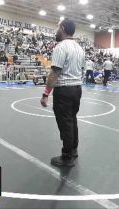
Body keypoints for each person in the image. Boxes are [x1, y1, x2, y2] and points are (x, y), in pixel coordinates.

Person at [40, 18, 85, 167]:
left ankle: (67, 157)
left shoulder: (61, 47)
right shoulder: (79, 48)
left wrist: (46, 94)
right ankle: (73, 150)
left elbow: (55, 72)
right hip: (77, 88)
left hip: (64, 90)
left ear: (64, 28)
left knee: (65, 123)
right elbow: (81, 70)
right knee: (72, 120)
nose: (57, 31)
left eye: (58, 28)